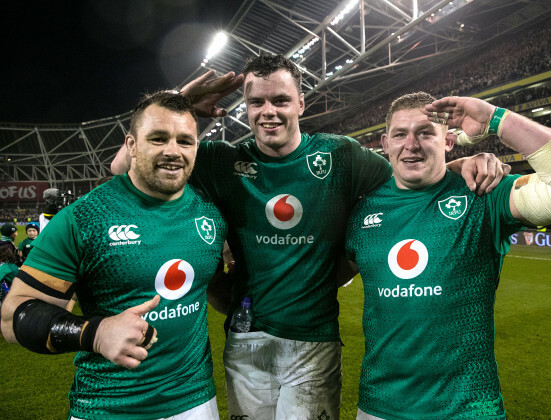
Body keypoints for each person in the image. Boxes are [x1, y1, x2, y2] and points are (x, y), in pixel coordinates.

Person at [112, 54, 510, 419]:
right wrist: (175, 105)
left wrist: (460, 162)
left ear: (301, 104)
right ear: (245, 108)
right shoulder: (222, 161)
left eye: (281, 100)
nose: (268, 112)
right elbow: (124, 168)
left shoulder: (342, 156)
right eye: (257, 103)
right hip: (245, 339)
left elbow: (413, 171)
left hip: (313, 342)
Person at [344, 92, 551, 419]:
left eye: (426, 133)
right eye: (400, 134)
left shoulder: (482, 193)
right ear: (385, 144)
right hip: (378, 407)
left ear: (449, 141)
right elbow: (320, 279)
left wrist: (496, 120)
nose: (411, 144)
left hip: (470, 409)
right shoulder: (361, 212)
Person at [1, 91, 229, 419]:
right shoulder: (84, 219)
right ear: (132, 145)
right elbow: (12, 318)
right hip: (108, 406)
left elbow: (216, 288)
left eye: (185, 141)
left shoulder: (210, 214)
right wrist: (94, 332)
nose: (173, 151)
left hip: (197, 402)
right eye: (158, 138)